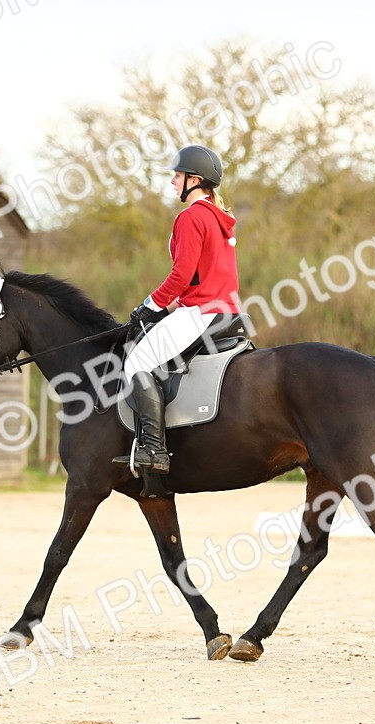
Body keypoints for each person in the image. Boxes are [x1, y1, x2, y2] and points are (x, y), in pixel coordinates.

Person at [113, 144, 240, 477]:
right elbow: (203, 276)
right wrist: (168, 304)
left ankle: (154, 449)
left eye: (177, 176)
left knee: (137, 362)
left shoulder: (191, 217)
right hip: (223, 308)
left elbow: (182, 275)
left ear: (194, 180)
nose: (172, 183)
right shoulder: (218, 219)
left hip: (201, 312)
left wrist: (151, 304)